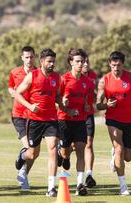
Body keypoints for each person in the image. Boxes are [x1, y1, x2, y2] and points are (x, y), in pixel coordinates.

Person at [96, 51, 131, 195]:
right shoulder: (104, 81)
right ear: (109, 64)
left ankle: (115, 155)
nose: (116, 68)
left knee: (128, 157)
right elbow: (98, 105)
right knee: (119, 148)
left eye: (118, 65)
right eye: (113, 65)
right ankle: (123, 186)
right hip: (113, 120)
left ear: (123, 64)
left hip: (129, 120)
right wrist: (107, 105)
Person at [14, 48, 60, 197]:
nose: (52, 64)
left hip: (51, 119)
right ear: (41, 62)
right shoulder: (32, 76)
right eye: (49, 61)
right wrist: (29, 106)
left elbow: (57, 96)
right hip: (34, 120)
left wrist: (65, 106)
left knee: (52, 149)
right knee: (33, 153)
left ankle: (51, 187)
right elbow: (17, 93)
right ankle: (23, 156)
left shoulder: (56, 77)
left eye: (53, 61)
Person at [56, 48, 91, 196]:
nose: (81, 64)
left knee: (81, 150)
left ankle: (79, 185)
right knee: (65, 153)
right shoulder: (63, 79)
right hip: (64, 120)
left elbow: (87, 101)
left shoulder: (87, 82)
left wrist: (87, 106)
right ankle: (62, 152)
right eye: (77, 61)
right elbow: (56, 101)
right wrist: (63, 104)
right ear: (71, 62)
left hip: (80, 120)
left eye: (82, 61)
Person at [7, 46, 37, 190]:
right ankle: (22, 160)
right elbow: (10, 87)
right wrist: (12, 92)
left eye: (31, 57)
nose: (29, 60)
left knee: (34, 152)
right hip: (19, 114)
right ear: (22, 58)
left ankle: (23, 172)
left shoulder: (38, 72)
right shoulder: (14, 72)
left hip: (34, 115)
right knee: (28, 147)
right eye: (26, 57)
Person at [81, 54, 98, 188]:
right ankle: (64, 154)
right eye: (83, 62)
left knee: (88, 144)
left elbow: (94, 94)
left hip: (88, 115)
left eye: (87, 62)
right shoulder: (68, 77)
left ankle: (89, 175)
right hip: (73, 117)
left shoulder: (93, 76)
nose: (86, 64)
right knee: (72, 147)